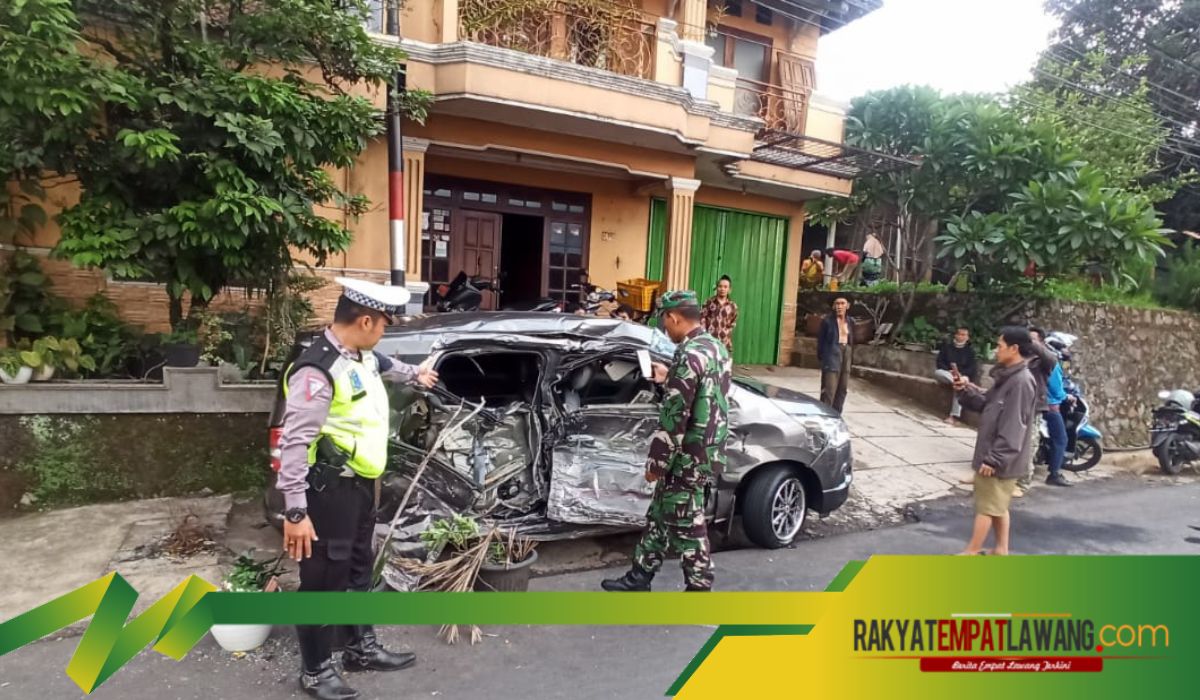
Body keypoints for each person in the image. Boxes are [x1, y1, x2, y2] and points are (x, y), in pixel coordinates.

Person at [276, 278, 439, 700]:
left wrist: (416, 374)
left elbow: (386, 366)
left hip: (363, 487)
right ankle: (316, 672)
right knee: (323, 581)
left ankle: (359, 648)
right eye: (384, 323)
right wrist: (295, 513)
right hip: (328, 493)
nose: (385, 331)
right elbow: (293, 444)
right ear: (365, 320)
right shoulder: (317, 371)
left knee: (357, 571)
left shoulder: (361, 355)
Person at [601, 290, 732, 592]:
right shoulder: (714, 347)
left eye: (664, 322)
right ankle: (640, 575)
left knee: (687, 522)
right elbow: (706, 393)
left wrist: (656, 463)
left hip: (686, 454)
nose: (664, 328)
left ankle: (699, 586)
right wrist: (670, 375)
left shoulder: (688, 355)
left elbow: (674, 418)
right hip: (707, 450)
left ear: (674, 317)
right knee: (660, 513)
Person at [953, 327, 1037, 556]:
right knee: (998, 505)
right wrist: (965, 391)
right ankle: (1001, 549)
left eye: (1000, 346)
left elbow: (1014, 426)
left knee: (987, 507)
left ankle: (972, 550)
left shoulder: (1021, 381)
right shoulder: (1007, 376)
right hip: (998, 455)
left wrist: (995, 459)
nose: (996, 350)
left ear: (1014, 348)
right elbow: (986, 403)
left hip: (1000, 458)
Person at [1015, 326, 1061, 497]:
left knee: (1029, 444)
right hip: (1015, 405)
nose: (1028, 342)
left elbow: (1052, 358)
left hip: (1034, 407)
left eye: (1033, 339)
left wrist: (1032, 343)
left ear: (1040, 342)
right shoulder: (1019, 356)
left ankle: (1022, 482)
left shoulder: (1043, 361)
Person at [933, 327, 979, 425]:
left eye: (964, 335)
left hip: (962, 376)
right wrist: (950, 371)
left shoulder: (970, 351)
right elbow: (939, 362)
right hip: (948, 374)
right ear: (956, 335)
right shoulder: (947, 347)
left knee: (959, 385)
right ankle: (957, 382)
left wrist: (961, 375)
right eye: (960, 334)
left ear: (967, 337)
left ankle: (953, 416)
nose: (961, 337)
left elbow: (972, 368)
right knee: (938, 373)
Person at [817, 297, 855, 414]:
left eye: (842, 303)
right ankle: (825, 414)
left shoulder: (850, 321)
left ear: (847, 306)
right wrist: (824, 358)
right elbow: (821, 342)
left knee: (843, 388)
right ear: (833, 306)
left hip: (846, 352)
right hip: (832, 353)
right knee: (829, 389)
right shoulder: (827, 322)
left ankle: (837, 414)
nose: (839, 306)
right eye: (837, 304)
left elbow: (852, 339)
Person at [1043, 362, 1072, 487]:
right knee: (1061, 439)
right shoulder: (1053, 364)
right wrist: (1066, 396)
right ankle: (1054, 474)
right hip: (1051, 407)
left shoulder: (1037, 360)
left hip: (1040, 404)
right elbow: (1056, 389)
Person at [701, 275, 738, 356]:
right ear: (716, 288)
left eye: (725, 287)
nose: (722, 289)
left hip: (724, 344)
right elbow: (702, 319)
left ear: (729, 290)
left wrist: (725, 333)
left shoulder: (732, 306)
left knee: (724, 367)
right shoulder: (708, 303)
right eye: (720, 286)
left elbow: (733, 323)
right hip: (709, 343)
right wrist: (705, 335)